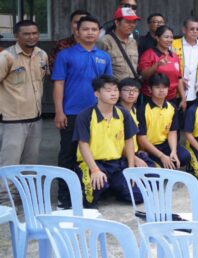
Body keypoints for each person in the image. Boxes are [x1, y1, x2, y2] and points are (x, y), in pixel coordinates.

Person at [52, 15, 112, 209]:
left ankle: (90, 192)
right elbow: (59, 84)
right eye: (85, 29)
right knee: (68, 155)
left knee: (91, 154)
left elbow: (108, 87)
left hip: (96, 113)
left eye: (94, 29)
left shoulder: (104, 57)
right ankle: (64, 197)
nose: (90, 33)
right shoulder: (65, 55)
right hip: (71, 112)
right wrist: (59, 111)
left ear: (99, 32)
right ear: (77, 31)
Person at [74, 75, 144, 207]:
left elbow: (129, 141)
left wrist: (130, 168)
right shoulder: (85, 115)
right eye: (108, 90)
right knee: (89, 200)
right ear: (97, 93)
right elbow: (83, 144)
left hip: (116, 164)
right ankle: (102, 186)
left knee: (138, 196)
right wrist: (94, 170)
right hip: (93, 163)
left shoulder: (123, 113)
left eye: (115, 90)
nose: (113, 94)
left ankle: (112, 186)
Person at [0, 20, 48, 175]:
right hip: (11, 122)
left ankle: (25, 198)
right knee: (9, 164)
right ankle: (6, 199)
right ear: (16, 36)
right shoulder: (6, 57)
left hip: (35, 119)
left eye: (34, 33)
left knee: (30, 165)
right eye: (26, 34)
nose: (31, 37)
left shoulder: (42, 55)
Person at [135, 73, 190, 170]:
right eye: (157, 87)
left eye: (164, 87)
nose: (161, 90)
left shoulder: (172, 107)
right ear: (150, 89)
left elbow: (172, 132)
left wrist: (173, 151)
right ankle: (161, 163)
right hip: (148, 148)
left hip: (165, 145)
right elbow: (141, 139)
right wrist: (162, 156)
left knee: (185, 156)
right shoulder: (142, 109)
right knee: (156, 169)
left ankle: (165, 163)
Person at [138, 26, 181, 103]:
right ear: (157, 38)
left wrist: (183, 98)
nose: (169, 40)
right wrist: (157, 65)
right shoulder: (148, 54)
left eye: (171, 37)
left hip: (172, 98)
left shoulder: (174, 56)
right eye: (166, 37)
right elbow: (144, 75)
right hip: (152, 98)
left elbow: (179, 78)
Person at [115, 78, 152, 168]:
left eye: (135, 91)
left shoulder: (135, 110)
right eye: (127, 90)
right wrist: (134, 159)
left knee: (154, 172)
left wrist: (140, 151)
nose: (131, 93)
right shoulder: (115, 112)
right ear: (119, 93)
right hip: (119, 156)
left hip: (135, 153)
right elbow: (115, 142)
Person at [173, 17, 198, 112]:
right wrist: (178, 79)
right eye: (192, 29)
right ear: (184, 30)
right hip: (178, 90)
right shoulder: (173, 44)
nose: (195, 32)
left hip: (197, 89)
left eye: (197, 29)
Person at [98, 6, 140, 81]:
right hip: (114, 89)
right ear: (117, 22)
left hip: (132, 89)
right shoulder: (104, 41)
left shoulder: (134, 42)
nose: (132, 25)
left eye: (134, 22)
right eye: (128, 21)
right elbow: (98, 68)